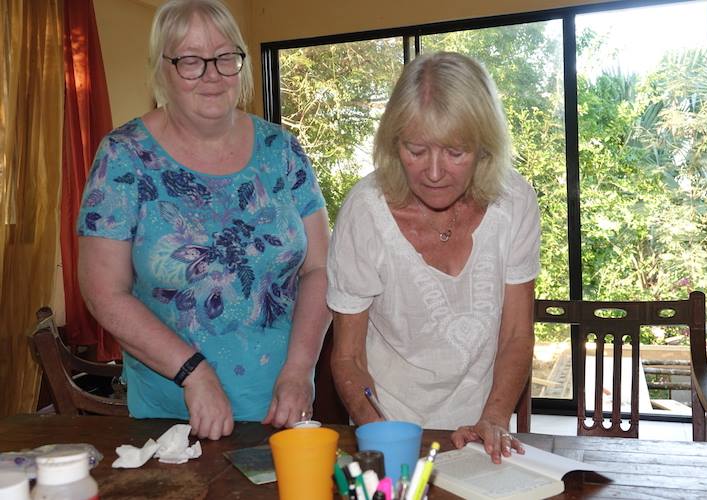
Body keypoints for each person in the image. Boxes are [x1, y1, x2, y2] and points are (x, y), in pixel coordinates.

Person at [77, 0, 330, 440]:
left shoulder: (282, 151)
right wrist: (193, 372)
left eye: (225, 57)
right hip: (174, 414)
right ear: (163, 69)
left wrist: (299, 369)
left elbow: (321, 268)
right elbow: (104, 293)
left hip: (283, 405)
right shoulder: (123, 157)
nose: (212, 74)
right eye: (191, 60)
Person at [327, 51, 540, 463]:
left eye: (455, 152)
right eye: (416, 149)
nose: (435, 172)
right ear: (393, 144)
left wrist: (494, 417)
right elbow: (348, 356)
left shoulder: (514, 202)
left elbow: (515, 335)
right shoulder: (365, 212)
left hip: (480, 431)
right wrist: (379, 435)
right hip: (388, 424)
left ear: (484, 149)